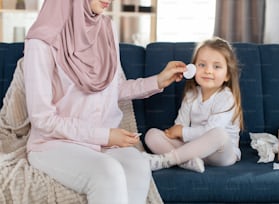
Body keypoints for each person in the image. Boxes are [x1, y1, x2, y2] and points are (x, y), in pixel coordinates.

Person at [23, 0, 186, 203]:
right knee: (108, 172)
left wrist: (158, 80)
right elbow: (43, 119)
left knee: (138, 165)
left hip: (99, 143)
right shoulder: (40, 42)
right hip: (54, 144)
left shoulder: (106, 29)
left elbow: (111, 89)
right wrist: (105, 135)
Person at [142, 37, 244, 173]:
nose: (208, 71)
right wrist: (175, 132)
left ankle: (168, 159)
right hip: (194, 150)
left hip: (221, 154)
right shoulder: (192, 95)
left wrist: (182, 132)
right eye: (202, 65)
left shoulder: (226, 97)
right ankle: (188, 161)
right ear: (194, 69)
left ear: (227, 75)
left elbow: (208, 130)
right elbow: (180, 124)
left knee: (219, 134)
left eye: (216, 66)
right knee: (152, 135)